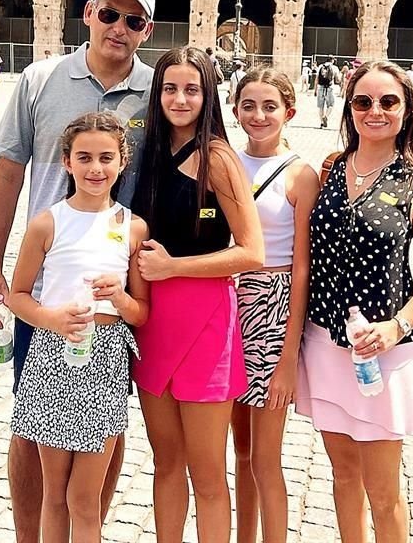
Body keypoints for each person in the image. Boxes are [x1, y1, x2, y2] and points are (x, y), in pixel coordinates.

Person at [0, 0, 156, 539]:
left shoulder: (158, 91)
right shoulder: (40, 79)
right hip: (50, 290)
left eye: (134, 20)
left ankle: (87, 528)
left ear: (146, 29)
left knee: (109, 425)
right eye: (110, 14)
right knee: (31, 426)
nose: (119, 28)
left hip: (114, 295)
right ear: (88, 14)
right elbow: (7, 172)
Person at [298, 60, 413, 543]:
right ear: (349, 108)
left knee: (383, 493)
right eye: (363, 101)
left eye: (389, 102)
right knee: (343, 478)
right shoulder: (328, 170)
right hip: (324, 341)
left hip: (381, 350)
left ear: (407, 110)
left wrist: (397, 325)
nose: (375, 111)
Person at [131, 46, 264, 542]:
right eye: (170, 88)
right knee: (166, 464)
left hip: (205, 322)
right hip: (152, 319)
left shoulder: (219, 158)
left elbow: (251, 251)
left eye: (192, 89)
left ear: (208, 94)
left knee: (207, 474)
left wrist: (172, 267)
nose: (180, 99)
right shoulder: (146, 152)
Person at [7, 112, 150, 543]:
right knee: (54, 495)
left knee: (85, 499)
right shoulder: (47, 223)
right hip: (52, 362)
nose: (95, 168)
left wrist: (121, 299)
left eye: (106, 157)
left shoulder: (133, 227)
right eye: (84, 157)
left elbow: (142, 311)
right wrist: (51, 319)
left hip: (104, 363)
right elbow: (18, 295)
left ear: (122, 162)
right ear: (66, 162)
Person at [230, 69, 319, 543]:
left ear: (289, 111)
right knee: (239, 449)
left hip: (273, 306)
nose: (258, 116)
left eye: (269, 106)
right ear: (234, 108)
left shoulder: (301, 175)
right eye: (248, 105)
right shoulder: (225, 161)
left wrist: (287, 359)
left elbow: (302, 267)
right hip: (226, 303)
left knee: (265, 455)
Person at [315, 56, 339, 128]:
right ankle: (325, 116)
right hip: (330, 88)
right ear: (332, 61)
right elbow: (337, 79)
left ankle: (321, 123)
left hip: (320, 88)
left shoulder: (320, 66)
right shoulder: (335, 68)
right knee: (331, 105)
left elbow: (317, 79)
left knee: (321, 106)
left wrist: (315, 90)